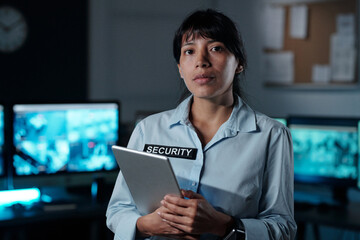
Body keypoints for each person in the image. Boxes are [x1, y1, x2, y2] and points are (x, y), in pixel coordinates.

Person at [106, 9, 297, 240]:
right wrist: (146, 225)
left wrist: (223, 225)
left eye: (216, 48)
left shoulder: (272, 135)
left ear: (239, 63)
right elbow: (117, 211)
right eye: (189, 51)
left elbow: (284, 228)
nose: (201, 62)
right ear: (179, 69)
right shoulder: (148, 129)